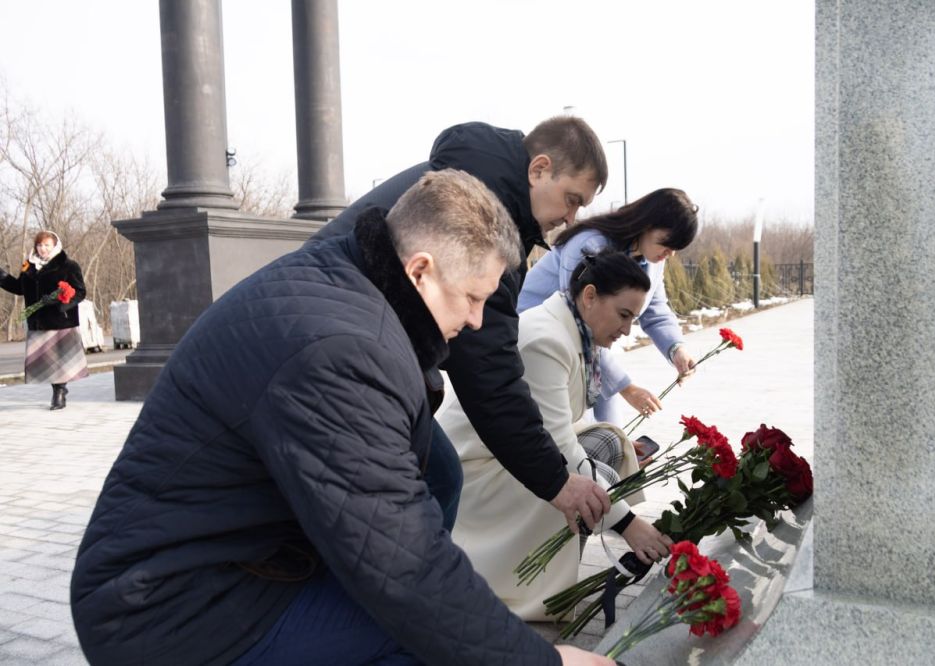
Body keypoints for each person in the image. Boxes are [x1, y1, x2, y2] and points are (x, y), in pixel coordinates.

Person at [70, 171, 613, 666]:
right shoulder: (343, 352)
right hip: (166, 613)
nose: (476, 321)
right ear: (420, 270)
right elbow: (408, 570)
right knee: (430, 645)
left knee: (439, 480)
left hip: (231, 560)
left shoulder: (351, 276)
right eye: (472, 298)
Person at [312, 117, 612, 535]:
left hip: (350, 340)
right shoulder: (481, 221)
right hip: (330, 350)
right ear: (539, 169)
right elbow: (488, 371)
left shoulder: (484, 187)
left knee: (438, 475)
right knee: (431, 482)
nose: (570, 216)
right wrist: (556, 482)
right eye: (571, 198)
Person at [439, 250, 674, 619]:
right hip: (477, 473)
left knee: (609, 443)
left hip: (507, 454)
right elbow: (560, 448)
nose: (628, 330)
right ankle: (530, 579)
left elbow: (560, 427)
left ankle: (562, 559)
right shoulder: (546, 339)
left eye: (634, 319)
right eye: (624, 315)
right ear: (590, 296)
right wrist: (629, 525)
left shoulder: (571, 328)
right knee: (585, 474)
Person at [518, 188, 700, 426]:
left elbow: (655, 310)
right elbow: (580, 322)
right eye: (667, 243)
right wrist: (628, 388)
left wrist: (676, 349)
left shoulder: (652, 261)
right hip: (537, 343)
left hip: (590, 353)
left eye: (677, 247)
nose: (671, 253)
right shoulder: (590, 246)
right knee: (574, 430)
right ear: (646, 224)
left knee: (611, 434)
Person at [0, 230, 88, 409]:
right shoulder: (28, 265)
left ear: (55, 245)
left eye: (47, 245)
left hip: (60, 320)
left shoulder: (68, 265)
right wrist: (2, 277)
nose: (43, 249)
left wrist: (59, 300)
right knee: (46, 362)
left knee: (60, 361)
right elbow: (19, 288)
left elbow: (80, 292)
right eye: (40, 245)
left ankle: (59, 392)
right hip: (37, 320)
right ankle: (58, 389)